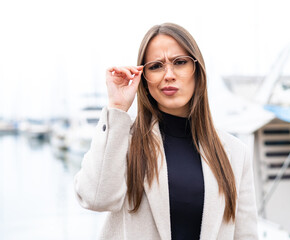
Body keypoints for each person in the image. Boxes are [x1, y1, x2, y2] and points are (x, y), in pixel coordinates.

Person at [74, 23, 258, 240]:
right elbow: (95, 198)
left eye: (180, 62)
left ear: (197, 71)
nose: (168, 75)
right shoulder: (124, 139)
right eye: (156, 66)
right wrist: (116, 107)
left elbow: (245, 235)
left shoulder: (235, 154)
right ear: (144, 78)